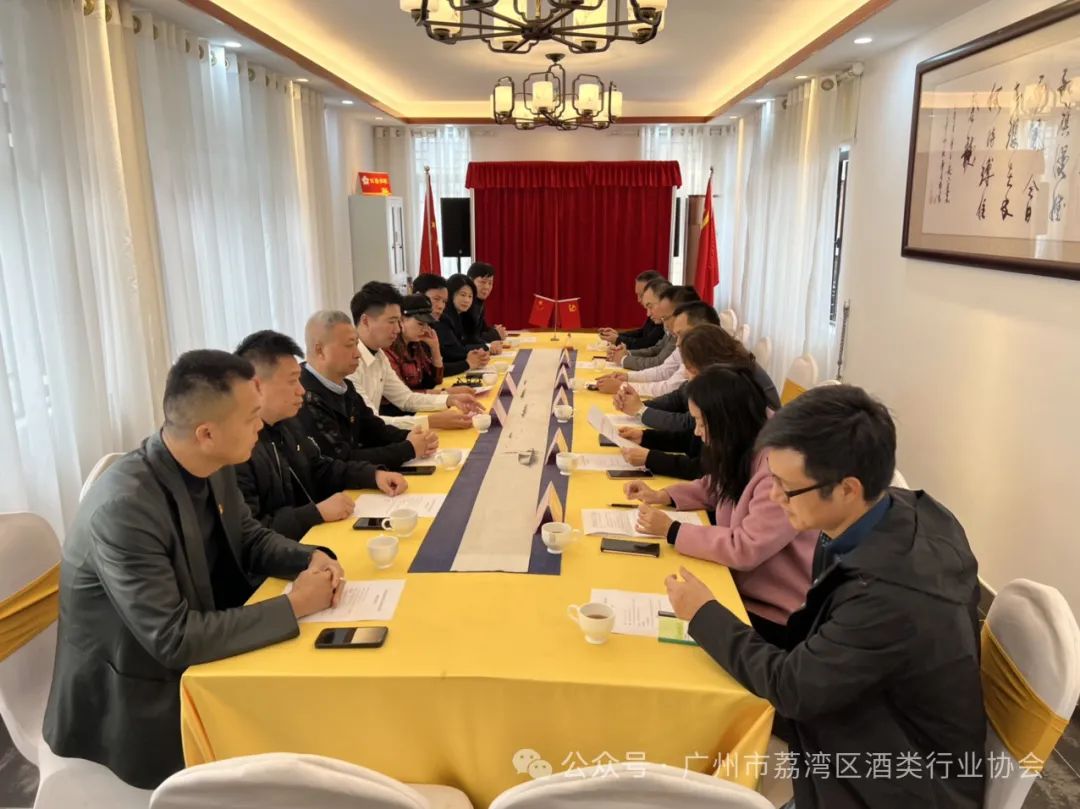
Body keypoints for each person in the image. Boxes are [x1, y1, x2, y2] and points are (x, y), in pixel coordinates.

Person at [664, 385, 985, 809]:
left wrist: (703, 613)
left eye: (787, 488)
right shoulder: (904, 509)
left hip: (896, 778)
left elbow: (792, 687)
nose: (774, 498)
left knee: (695, 705)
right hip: (875, 712)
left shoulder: (888, 595)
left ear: (848, 488)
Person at [43, 350, 346, 789]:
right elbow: (174, 638)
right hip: (132, 698)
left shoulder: (211, 464)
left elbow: (248, 536)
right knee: (291, 739)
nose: (260, 427)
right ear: (206, 433)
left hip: (194, 641)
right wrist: (294, 605)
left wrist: (308, 557)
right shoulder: (124, 508)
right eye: (251, 417)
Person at [624, 366, 818, 645]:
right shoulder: (748, 438)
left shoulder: (778, 467)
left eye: (701, 423)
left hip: (771, 609)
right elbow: (717, 485)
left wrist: (673, 530)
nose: (698, 433)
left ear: (727, 420)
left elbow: (745, 547)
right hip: (736, 582)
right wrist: (664, 495)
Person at [234, 330, 409, 541]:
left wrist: (373, 475)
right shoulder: (236, 449)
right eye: (292, 381)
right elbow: (249, 533)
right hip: (292, 549)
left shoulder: (287, 423)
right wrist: (315, 513)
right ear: (256, 385)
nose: (301, 390)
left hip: (313, 538)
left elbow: (320, 468)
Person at [299, 310, 438, 469]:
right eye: (349, 345)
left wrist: (410, 436)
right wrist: (409, 448)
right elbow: (342, 459)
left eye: (356, 344)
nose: (358, 354)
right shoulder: (306, 396)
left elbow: (374, 429)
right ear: (319, 350)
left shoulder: (345, 386)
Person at [348, 282, 481, 430]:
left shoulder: (378, 355)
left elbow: (405, 398)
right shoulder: (349, 362)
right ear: (365, 321)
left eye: (398, 322)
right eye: (392, 322)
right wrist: (431, 421)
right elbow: (369, 422)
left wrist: (449, 399)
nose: (397, 329)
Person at [594, 287, 701, 396]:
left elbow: (672, 387)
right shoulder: (685, 335)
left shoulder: (699, 343)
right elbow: (663, 370)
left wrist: (623, 386)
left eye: (665, 318)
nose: (648, 314)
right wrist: (627, 377)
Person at [383, 295, 482, 399]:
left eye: (427, 324)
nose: (425, 329)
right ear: (402, 320)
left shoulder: (415, 345)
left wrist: (435, 348)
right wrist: (446, 393)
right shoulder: (389, 349)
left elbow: (435, 381)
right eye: (420, 324)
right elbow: (402, 397)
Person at [413, 273, 489, 376]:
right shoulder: (409, 328)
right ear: (417, 296)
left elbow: (434, 370)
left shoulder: (437, 321)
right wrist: (467, 363)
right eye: (436, 299)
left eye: (444, 301)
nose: (441, 306)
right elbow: (428, 371)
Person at [606, 278, 679, 371]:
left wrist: (623, 359)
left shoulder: (677, 326)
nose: (648, 314)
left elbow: (659, 363)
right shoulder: (668, 324)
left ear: (664, 302)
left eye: (650, 306)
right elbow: (656, 349)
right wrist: (627, 353)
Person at [598, 269, 665, 350]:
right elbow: (643, 332)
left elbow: (648, 344)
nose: (638, 300)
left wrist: (618, 340)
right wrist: (618, 335)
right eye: (637, 295)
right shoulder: (655, 312)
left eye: (642, 295)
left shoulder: (663, 316)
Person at [443, 273, 503, 354]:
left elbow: (471, 339)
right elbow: (455, 350)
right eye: (463, 295)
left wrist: (489, 345)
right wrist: (488, 346)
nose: (467, 300)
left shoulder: (464, 315)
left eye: (470, 296)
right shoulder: (444, 317)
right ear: (450, 294)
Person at [465, 261, 508, 343]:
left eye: (490, 283)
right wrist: (495, 334)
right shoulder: (465, 304)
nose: (487, 287)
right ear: (470, 281)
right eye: (483, 282)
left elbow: (482, 329)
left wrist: (496, 330)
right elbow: (468, 338)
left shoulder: (479, 302)